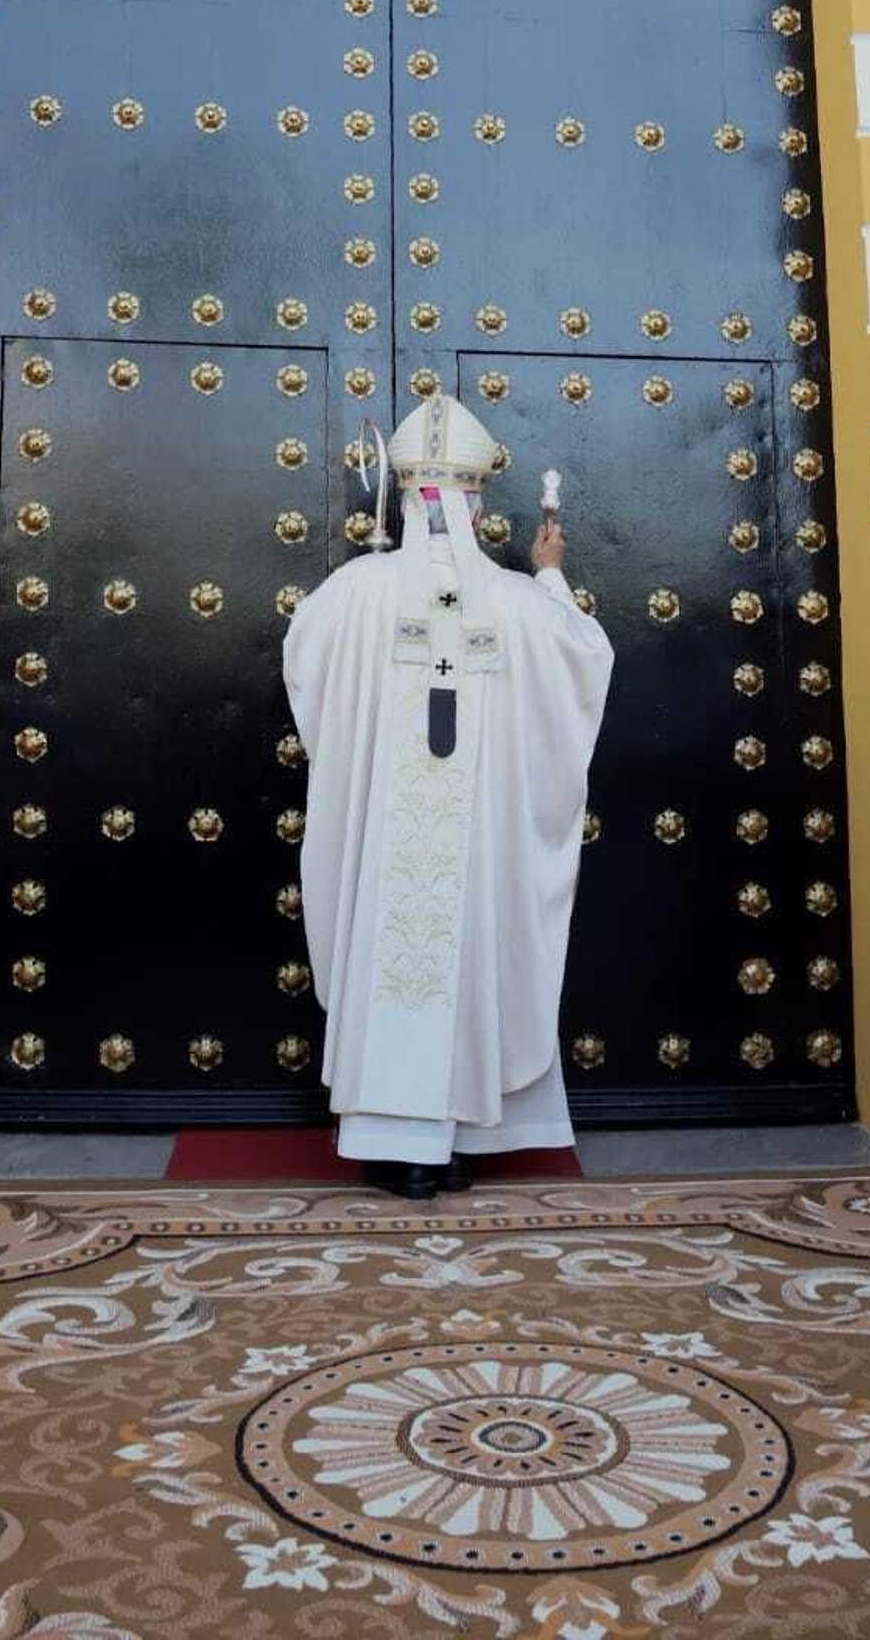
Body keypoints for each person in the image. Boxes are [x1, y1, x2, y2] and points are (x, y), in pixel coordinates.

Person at [281, 392, 614, 1199]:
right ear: (472, 503)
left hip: (390, 835)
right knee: (469, 946)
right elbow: (584, 657)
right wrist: (552, 574)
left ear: (404, 497)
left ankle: (397, 1141)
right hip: (473, 843)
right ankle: (459, 1138)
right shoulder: (515, 601)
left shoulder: (357, 590)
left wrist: (354, 751)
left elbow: (303, 661)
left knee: (391, 944)